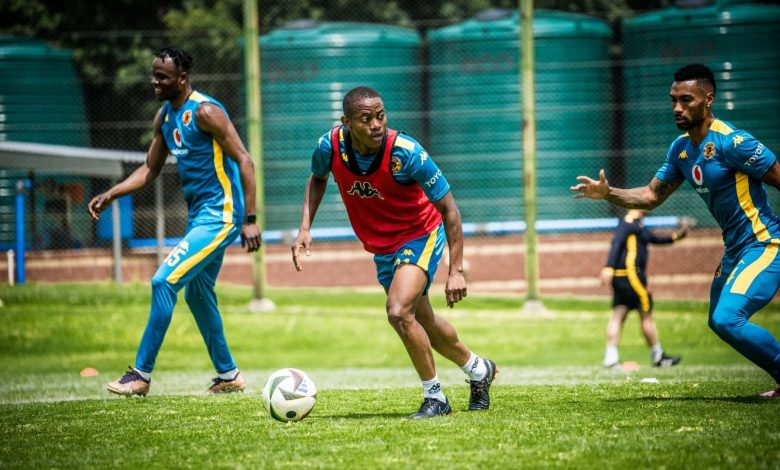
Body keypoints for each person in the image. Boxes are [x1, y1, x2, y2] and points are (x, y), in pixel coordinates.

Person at [571, 63, 780, 398]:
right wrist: (607, 193)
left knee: (728, 319)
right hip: (735, 249)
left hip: (766, 243)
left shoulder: (734, 142)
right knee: (717, 320)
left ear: (708, 99)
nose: (677, 108)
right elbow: (651, 196)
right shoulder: (681, 149)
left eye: (686, 100)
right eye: (673, 100)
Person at [291, 86, 497, 418]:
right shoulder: (329, 146)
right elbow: (317, 179)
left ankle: (435, 398)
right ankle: (478, 369)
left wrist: (455, 270)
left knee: (399, 311)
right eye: (365, 118)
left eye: (380, 115)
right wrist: (304, 228)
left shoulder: (406, 152)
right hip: (383, 246)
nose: (376, 124)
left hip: (420, 234)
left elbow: (450, 210)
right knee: (423, 321)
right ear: (346, 122)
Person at [87, 47, 261, 396]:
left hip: (221, 215)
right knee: (198, 294)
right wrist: (113, 193)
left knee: (163, 282)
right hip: (200, 217)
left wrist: (250, 219)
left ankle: (140, 375)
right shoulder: (165, 117)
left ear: (181, 78)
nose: (154, 81)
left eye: (161, 77)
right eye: (153, 75)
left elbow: (244, 160)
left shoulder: (207, 112)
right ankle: (229, 375)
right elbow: (150, 169)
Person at [601, 209, 688, 369]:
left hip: (622, 277)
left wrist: (676, 237)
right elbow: (616, 242)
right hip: (631, 276)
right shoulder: (628, 222)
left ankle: (610, 358)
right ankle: (657, 355)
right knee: (645, 314)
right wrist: (608, 267)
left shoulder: (637, 225)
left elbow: (653, 238)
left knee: (618, 314)